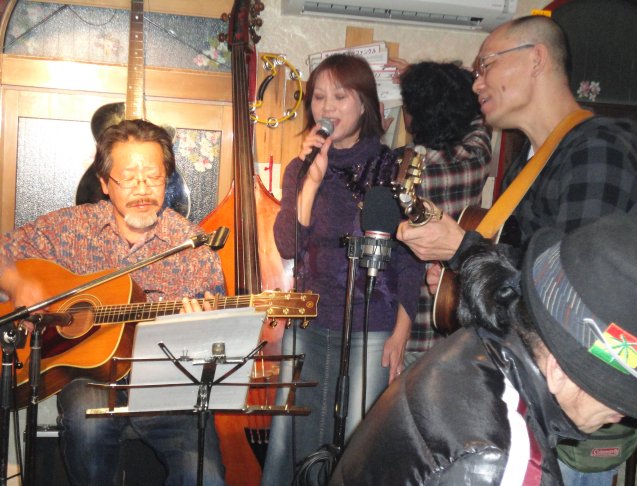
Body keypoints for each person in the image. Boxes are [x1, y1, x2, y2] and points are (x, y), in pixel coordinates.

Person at [396, 15, 637, 483]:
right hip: (532, 405)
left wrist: (462, 250)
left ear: (536, 59)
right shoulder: (528, 164)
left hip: (573, 422)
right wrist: (457, 277)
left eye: (486, 65)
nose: (477, 83)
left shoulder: (599, 149)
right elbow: (513, 282)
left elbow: (574, 307)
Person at [331, 214, 637, 485]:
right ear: (559, 369)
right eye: (615, 393)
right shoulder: (505, 462)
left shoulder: (480, 343)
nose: (621, 415)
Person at [0, 119, 226, 485]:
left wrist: (202, 328)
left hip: (166, 382)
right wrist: (17, 283)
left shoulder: (194, 246)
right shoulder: (71, 227)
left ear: (167, 180)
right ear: (105, 183)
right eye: (129, 178)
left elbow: (217, 342)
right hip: (88, 377)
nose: (142, 188)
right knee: (86, 423)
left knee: (206, 474)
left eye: (153, 177)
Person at [262, 54, 423, 484]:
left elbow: (410, 261)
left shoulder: (393, 168)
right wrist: (311, 181)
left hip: (373, 323)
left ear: (364, 103)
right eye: (318, 97)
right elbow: (287, 244)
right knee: (292, 438)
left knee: (357, 442)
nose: (327, 107)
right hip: (309, 321)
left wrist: (402, 332)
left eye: (340, 96)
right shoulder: (300, 168)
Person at [392, 60, 492, 365]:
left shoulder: (401, 169)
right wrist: (436, 82)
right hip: (455, 318)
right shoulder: (476, 156)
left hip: (406, 326)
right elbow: (480, 117)